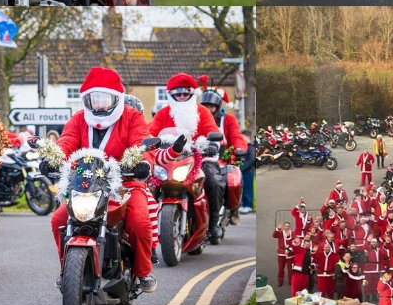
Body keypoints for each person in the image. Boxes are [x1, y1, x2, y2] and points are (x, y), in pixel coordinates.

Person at [45, 67, 185, 293]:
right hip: (86, 186)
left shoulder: (132, 116)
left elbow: (141, 142)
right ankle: (67, 270)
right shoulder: (79, 118)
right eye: (93, 99)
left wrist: (143, 163)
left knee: (140, 222)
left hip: (126, 185)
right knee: (58, 220)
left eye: (104, 99)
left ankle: (143, 271)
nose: (99, 105)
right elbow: (67, 141)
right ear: (86, 99)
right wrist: (54, 158)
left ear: (117, 98)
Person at [149, 73, 223, 240]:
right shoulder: (163, 113)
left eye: (185, 93)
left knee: (213, 181)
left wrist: (212, 145)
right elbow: (150, 132)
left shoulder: (202, 111)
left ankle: (213, 224)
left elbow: (214, 130)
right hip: (168, 161)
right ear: (171, 94)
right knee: (147, 185)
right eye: (178, 93)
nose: (182, 97)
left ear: (192, 93)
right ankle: (149, 229)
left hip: (199, 158)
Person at [199, 81, 247, 224]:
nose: (208, 110)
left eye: (211, 106)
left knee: (233, 178)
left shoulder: (228, 119)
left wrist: (239, 148)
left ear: (218, 107)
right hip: (197, 158)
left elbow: (236, 136)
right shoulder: (195, 118)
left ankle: (233, 208)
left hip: (222, 158)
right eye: (205, 106)